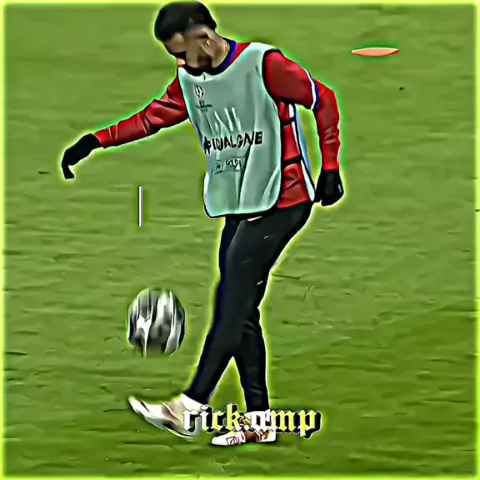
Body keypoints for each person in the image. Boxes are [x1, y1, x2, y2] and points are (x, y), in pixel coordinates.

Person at [61, 1, 344, 447]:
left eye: (182, 52)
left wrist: (330, 165)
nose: (179, 62)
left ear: (205, 39)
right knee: (242, 308)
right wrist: (96, 141)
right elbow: (153, 117)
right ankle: (260, 419)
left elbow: (322, 99)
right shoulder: (191, 80)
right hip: (241, 201)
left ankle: (190, 406)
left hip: (282, 199)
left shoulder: (264, 65)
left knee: (232, 303)